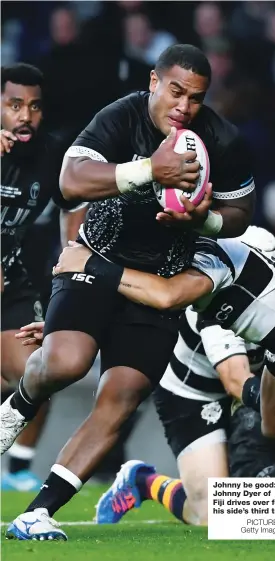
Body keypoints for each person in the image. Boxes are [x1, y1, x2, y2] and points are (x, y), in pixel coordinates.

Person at [1, 44, 255, 541]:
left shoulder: (222, 140)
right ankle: (18, 405)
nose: (183, 107)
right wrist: (148, 171)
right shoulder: (121, 117)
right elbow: (71, 182)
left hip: (161, 281)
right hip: (95, 260)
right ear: (155, 83)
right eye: (176, 91)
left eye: (196, 98)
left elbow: (240, 211)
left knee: (123, 393)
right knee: (66, 362)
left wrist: (203, 218)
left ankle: (38, 512)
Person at [1, 63, 86, 491]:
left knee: (41, 367)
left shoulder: (51, 154)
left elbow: (74, 199)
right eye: (14, 104)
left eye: (33, 106)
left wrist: (71, 252)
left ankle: (15, 470)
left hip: (9, 281)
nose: (25, 116)